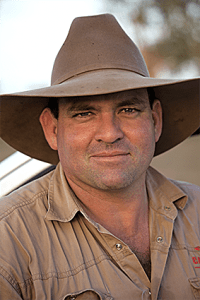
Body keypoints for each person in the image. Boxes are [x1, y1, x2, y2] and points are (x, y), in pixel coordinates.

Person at [0, 13, 199, 300]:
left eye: (128, 110)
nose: (109, 133)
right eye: (84, 113)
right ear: (52, 129)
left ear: (155, 119)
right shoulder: (9, 241)